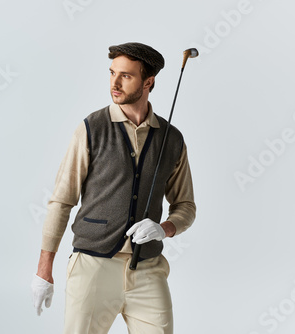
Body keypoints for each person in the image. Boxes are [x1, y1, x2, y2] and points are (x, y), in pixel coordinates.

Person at [31, 42, 196, 334]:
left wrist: (165, 228)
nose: (115, 83)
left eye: (126, 76)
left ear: (148, 82)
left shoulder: (172, 139)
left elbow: (186, 206)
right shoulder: (91, 128)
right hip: (92, 266)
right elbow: (62, 200)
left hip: (147, 269)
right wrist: (44, 270)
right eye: (111, 73)